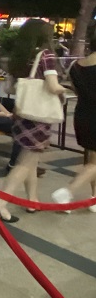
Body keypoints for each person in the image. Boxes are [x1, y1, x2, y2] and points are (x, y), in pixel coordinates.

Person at [0, 19, 67, 222]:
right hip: (38, 116)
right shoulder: (46, 55)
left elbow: (10, 88)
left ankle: (32, 200)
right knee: (25, 162)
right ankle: (1, 203)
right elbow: (53, 86)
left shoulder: (21, 56)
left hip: (23, 112)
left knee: (30, 160)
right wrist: (67, 89)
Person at [52, 28, 96, 213]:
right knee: (94, 163)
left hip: (82, 115)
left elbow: (77, 90)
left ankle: (94, 198)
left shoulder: (76, 65)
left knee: (92, 159)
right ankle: (67, 191)